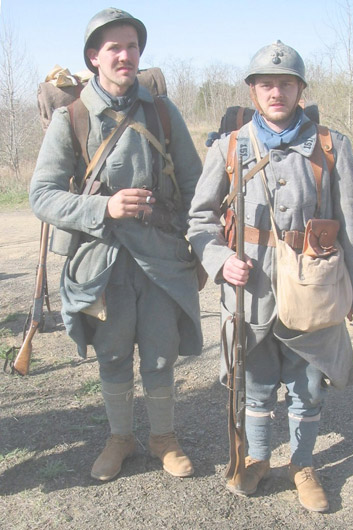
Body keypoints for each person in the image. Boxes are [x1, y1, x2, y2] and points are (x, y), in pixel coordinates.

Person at [188, 40, 353, 512]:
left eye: (285, 83)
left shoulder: (331, 146)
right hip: (251, 290)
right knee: (256, 381)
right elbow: (200, 221)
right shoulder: (229, 147)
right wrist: (218, 261)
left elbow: (351, 227)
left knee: (309, 383)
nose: (276, 92)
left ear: (300, 91)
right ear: (253, 92)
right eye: (266, 84)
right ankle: (258, 457)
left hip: (315, 286)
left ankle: (303, 464)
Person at [30, 7, 203, 482]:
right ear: (94, 58)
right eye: (113, 48)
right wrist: (102, 209)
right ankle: (121, 438)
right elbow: (41, 195)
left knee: (161, 352)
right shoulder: (74, 118)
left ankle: (163, 439)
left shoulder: (164, 114)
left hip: (161, 261)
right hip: (100, 263)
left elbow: (196, 187)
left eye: (132, 46)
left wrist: (183, 231)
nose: (125, 55)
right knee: (111, 353)